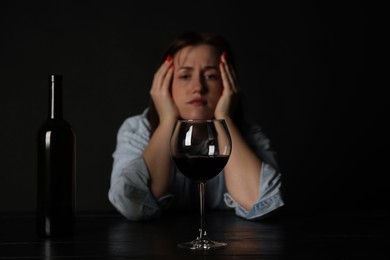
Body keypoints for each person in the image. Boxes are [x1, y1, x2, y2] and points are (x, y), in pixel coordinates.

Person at [108, 32, 284, 221]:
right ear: (165, 83)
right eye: (184, 76)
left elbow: (264, 204)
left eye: (210, 76)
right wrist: (168, 120)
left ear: (228, 83)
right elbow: (132, 206)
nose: (198, 87)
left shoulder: (249, 134)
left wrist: (224, 118)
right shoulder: (137, 130)